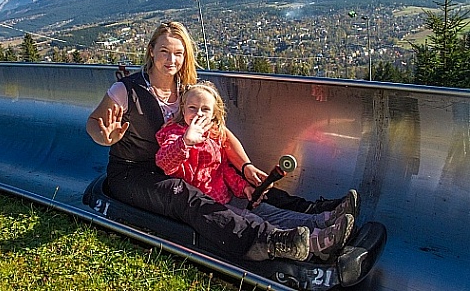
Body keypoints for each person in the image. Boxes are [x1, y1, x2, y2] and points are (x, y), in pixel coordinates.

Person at [86, 21, 354, 262]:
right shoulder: (127, 90)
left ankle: (314, 213)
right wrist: (105, 137)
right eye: (165, 51)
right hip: (134, 172)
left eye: (178, 53)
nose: (171, 59)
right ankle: (268, 241)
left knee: (243, 179)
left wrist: (246, 166)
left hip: (180, 164)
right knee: (182, 194)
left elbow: (222, 136)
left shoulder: (189, 92)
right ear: (151, 51)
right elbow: (94, 123)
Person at [155, 81, 353, 260]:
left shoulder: (213, 135)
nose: (198, 114)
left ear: (214, 114)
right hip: (202, 204)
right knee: (252, 222)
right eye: (192, 108)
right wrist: (186, 142)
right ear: (183, 108)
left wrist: (243, 188)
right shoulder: (174, 133)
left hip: (225, 196)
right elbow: (164, 163)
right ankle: (316, 243)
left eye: (205, 109)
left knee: (267, 210)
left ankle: (321, 221)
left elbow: (223, 169)